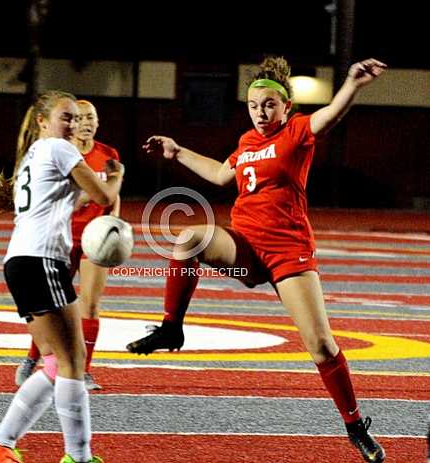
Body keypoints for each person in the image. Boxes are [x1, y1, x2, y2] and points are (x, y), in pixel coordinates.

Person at [126, 56, 387, 462]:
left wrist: (352, 84)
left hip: (288, 253)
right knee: (188, 238)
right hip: (244, 249)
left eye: (269, 105)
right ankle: (171, 328)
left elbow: (331, 116)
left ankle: (354, 425)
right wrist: (177, 152)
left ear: (286, 107)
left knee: (320, 345)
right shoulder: (248, 142)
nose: (261, 112)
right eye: (253, 105)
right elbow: (219, 175)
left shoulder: (297, 131)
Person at [0, 90, 123, 463]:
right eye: (66, 117)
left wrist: (91, 193)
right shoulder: (60, 150)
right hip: (41, 260)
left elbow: (66, 201)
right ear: (43, 120)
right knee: (73, 360)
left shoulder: (34, 154)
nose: (73, 124)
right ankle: (79, 456)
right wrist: (117, 176)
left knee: (55, 362)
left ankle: (0, 443)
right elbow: (105, 196)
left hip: (21, 260)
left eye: (76, 118)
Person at [15, 99, 121, 391]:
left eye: (90, 117)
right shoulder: (62, 150)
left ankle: (81, 371)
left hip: (92, 238)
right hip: (59, 240)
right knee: (54, 310)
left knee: (89, 303)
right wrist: (113, 181)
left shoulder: (104, 153)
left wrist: (114, 226)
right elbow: (100, 194)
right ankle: (34, 357)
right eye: (78, 117)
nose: (84, 123)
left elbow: (110, 199)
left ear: (98, 122)